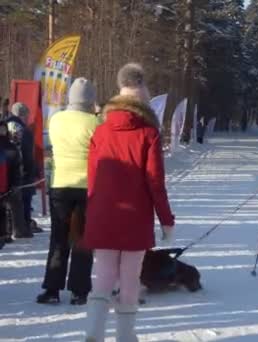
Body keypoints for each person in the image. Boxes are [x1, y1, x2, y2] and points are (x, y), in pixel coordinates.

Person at [83, 63, 175, 342]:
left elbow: (92, 178)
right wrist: (166, 220)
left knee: (102, 276)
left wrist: (93, 212)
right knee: (130, 279)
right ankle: (125, 336)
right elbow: (155, 182)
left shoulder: (100, 132)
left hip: (103, 215)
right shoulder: (148, 133)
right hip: (135, 219)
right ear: (142, 92)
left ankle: (94, 333)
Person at [36, 78, 100, 305]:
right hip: (87, 187)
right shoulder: (95, 122)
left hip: (60, 185)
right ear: (91, 99)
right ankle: (79, 291)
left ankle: (52, 289)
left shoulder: (56, 119)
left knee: (58, 238)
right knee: (82, 239)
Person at [5, 102, 34, 238]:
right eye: (26, 116)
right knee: (23, 199)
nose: (28, 119)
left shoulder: (5, 125)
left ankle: (9, 228)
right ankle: (23, 227)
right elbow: (26, 152)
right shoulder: (22, 129)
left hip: (5, 168)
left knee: (8, 201)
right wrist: (31, 169)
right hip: (20, 169)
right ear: (21, 115)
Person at [0, 122, 22, 249]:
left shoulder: (11, 147)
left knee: (6, 210)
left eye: (4, 129)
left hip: (8, 182)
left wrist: (16, 183)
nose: (2, 132)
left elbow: (16, 167)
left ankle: (6, 233)